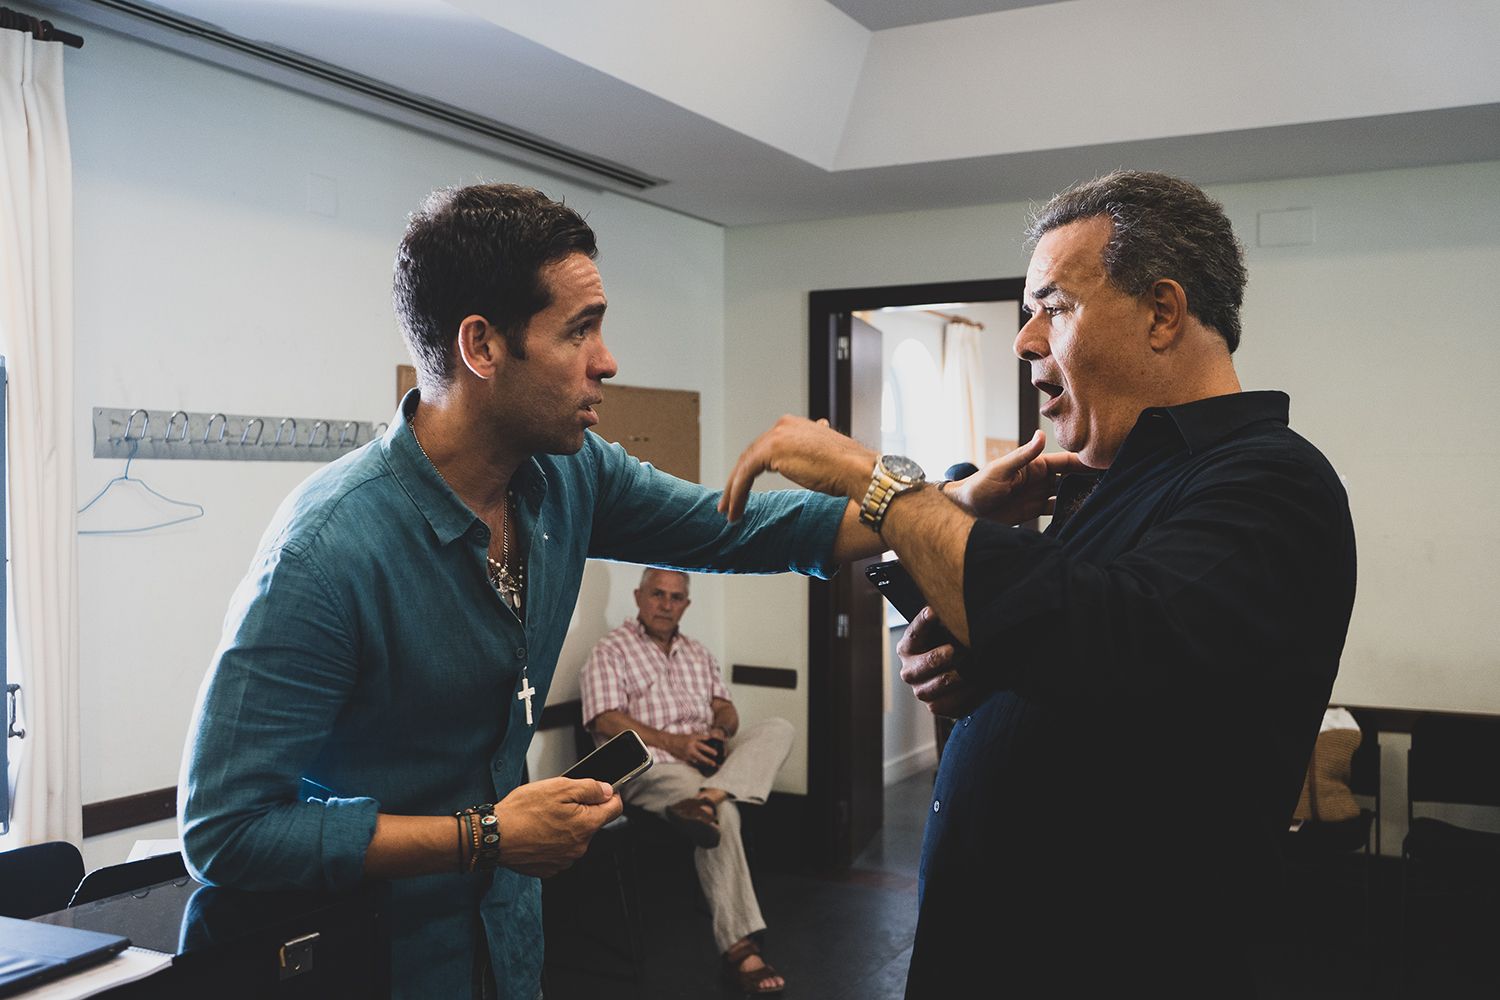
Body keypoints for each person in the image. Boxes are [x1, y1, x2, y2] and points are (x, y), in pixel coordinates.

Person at [178, 183, 885, 999]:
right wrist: (482, 836)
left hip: (508, 947)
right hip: (376, 963)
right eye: (578, 330)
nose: (608, 359)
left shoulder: (568, 476)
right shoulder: (327, 551)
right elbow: (226, 831)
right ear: (482, 346)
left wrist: (935, 507)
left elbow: (746, 527)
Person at [719, 171, 1357, 996]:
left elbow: (1109, 633)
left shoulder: (1271, 480)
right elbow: (1102, 676)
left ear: (1163, 312)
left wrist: (879, 483)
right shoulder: (1111, 481)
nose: (1025, 339)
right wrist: (983, 672)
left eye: (1052, 307)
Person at [581, 567, 794, 994]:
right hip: (653, 767)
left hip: (707, 764)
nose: (665, 604)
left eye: (675, 597)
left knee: (778, 728)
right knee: (725, 816)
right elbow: (605, 718)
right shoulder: (611, 650)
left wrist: (719, 729)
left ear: (687, 605)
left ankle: (706, 798)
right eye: (657, 594)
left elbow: (726, 709)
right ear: (639, 597)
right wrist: (676, 743)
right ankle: (740, 948)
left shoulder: (698, 652)